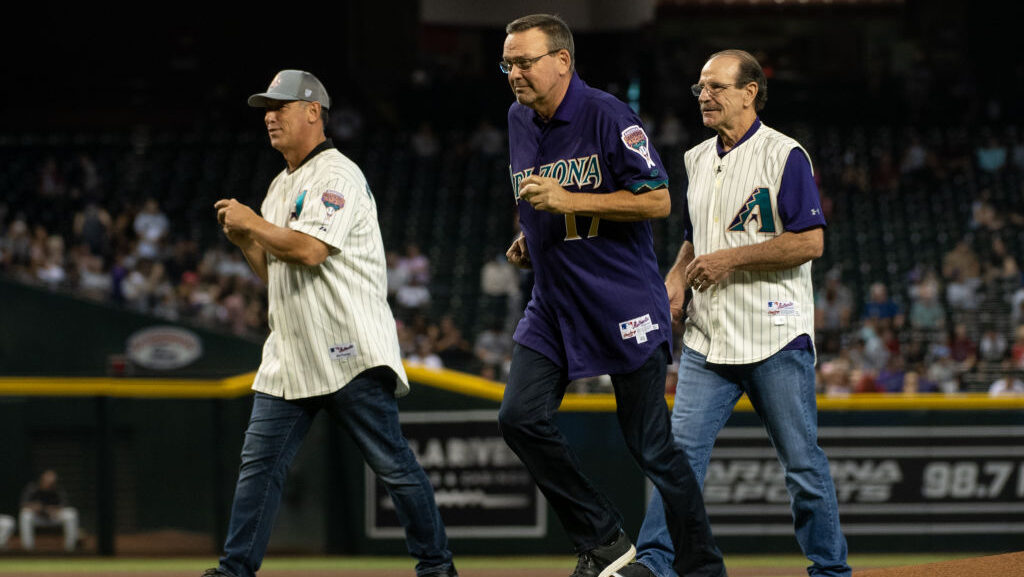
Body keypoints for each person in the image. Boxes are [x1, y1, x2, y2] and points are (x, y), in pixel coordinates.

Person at [498, 14, 725, 577]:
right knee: (519, 418)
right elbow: (543, 197)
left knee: (651, 449)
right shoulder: (517, 119)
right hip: (553, 304)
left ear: (562, 60)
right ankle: (603, 541)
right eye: (508, 63)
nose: (515, 73)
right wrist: (534, 234)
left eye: (525, 61)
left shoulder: (606, 114)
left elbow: (657, 202)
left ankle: (702, 567)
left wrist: (569, 201)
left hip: (621, 303)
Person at [204, 70, 456, 577]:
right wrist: (247, 244)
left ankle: (436, 568)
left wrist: (253, 223)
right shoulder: (280, 185)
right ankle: (235, 571)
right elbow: (277, 272)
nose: (270, 116)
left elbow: (312, 250)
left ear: (313, 111)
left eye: (281, 105)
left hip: (348, 349)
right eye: (265, 108)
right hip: (291, 354)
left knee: (393, 467)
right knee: (259, 468)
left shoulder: (337, 174)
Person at [622, 50, 851, 577]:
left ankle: (830, 570)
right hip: (708, 339)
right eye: (700, 87)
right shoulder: (696, 158)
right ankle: (655, 561)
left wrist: (730, 258)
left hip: (773, 333)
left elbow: (810, 241)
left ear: (750, 92)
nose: (704, 95)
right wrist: (674, 282)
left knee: (802, 467)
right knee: (676, 459)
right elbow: (693, 239)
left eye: (717, 86)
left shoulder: (784, 154)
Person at [18, 470, 79, 552]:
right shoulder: (33, 488)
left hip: (54, 517)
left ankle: (69, 549)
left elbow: (65, 504)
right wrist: (34, 507)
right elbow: (23, 504)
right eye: (47, 481)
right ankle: (28, 549)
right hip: (38, 517)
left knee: (71, 513)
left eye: (52, 482)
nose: (49, 483)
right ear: (42, 480)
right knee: (25, 514)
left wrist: (55, 510)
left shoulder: (57, 489)